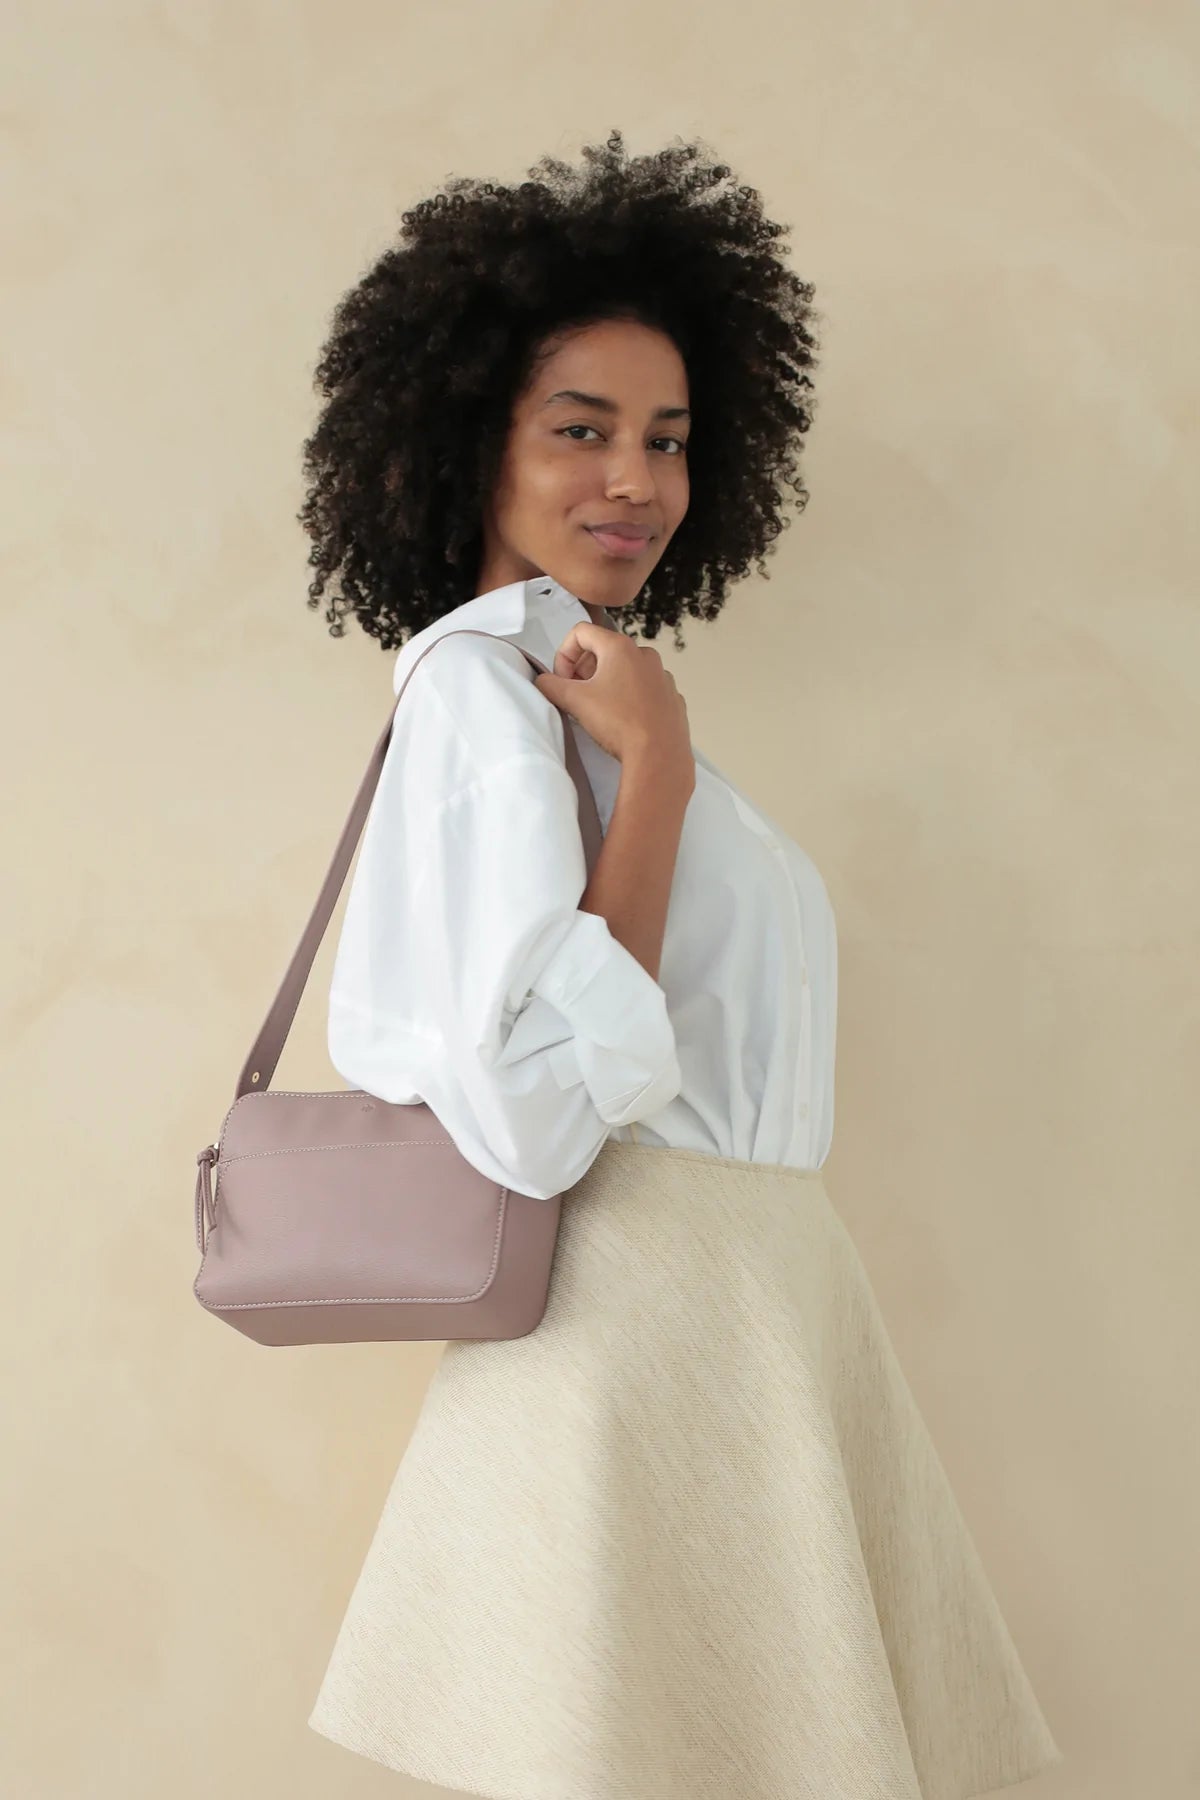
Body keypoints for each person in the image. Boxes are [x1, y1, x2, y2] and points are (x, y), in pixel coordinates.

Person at [300, 129, 1064, 1800]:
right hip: (643, 1314)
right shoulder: (485, 697)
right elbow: (530, 1119)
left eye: (668, 438)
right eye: (580, 430)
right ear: (471, 444)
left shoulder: (581, 686)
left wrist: (648, 746)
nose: (635, 481)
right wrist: (654, 770)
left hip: (746, 1312)